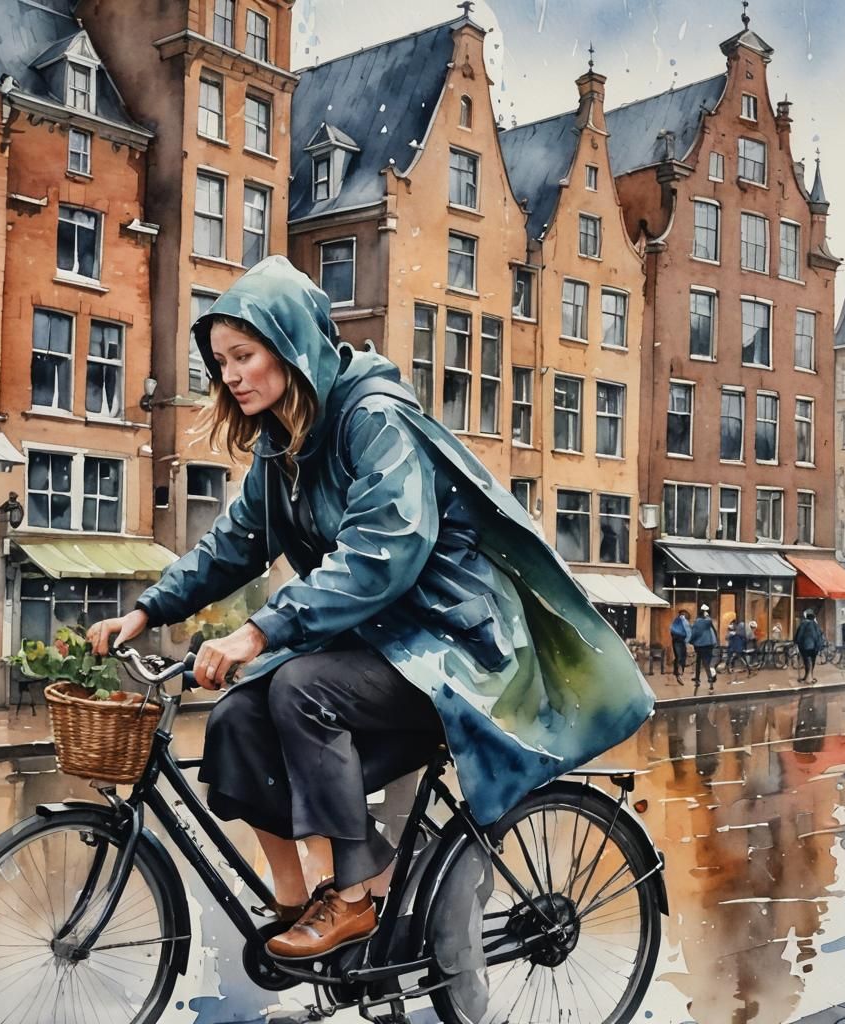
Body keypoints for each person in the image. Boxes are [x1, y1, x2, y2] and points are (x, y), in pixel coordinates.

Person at [87, 256, 654, 960]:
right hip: (381, 647)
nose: (230, 375)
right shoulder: (284, 443)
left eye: (245, 355)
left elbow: (381, 552)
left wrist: (259, 631)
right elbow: (234, 544)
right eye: (221, 361)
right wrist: (147, 611)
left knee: (300, 689)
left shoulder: (374, 419)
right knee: (236, 715)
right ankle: (296, 898)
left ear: (292, 345)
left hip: (450, 648)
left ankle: (355, 900)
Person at [689, 604, 718, 692]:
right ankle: (710, 683)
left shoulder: (698, 622)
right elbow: (714, 632)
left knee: (699, 662)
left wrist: (691, 641)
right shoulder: (709, 622)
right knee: (706, 664)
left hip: (699, 645)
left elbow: (694, 633)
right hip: (709, 645)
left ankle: (698, 680)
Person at [793, 609, 823, 684]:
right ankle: (810, 677)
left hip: (805, 647)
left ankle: (807, 677)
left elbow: (799, 635)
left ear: (806, 617)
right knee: (812, 662)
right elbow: (819, 636)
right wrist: (819, 647)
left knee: (806, 662)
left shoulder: (803, 624)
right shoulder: (816, 625)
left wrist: (796, 642)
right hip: (814, 647)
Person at [669, 609, 691, 685]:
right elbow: (688, 632)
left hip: (677, 641)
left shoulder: (676, 621)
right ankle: (678, 673)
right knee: (680, 657)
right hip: (680, 641)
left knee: (679, 657)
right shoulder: (683, 621)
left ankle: (677, 672)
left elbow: (672, 630)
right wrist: (687, 640)